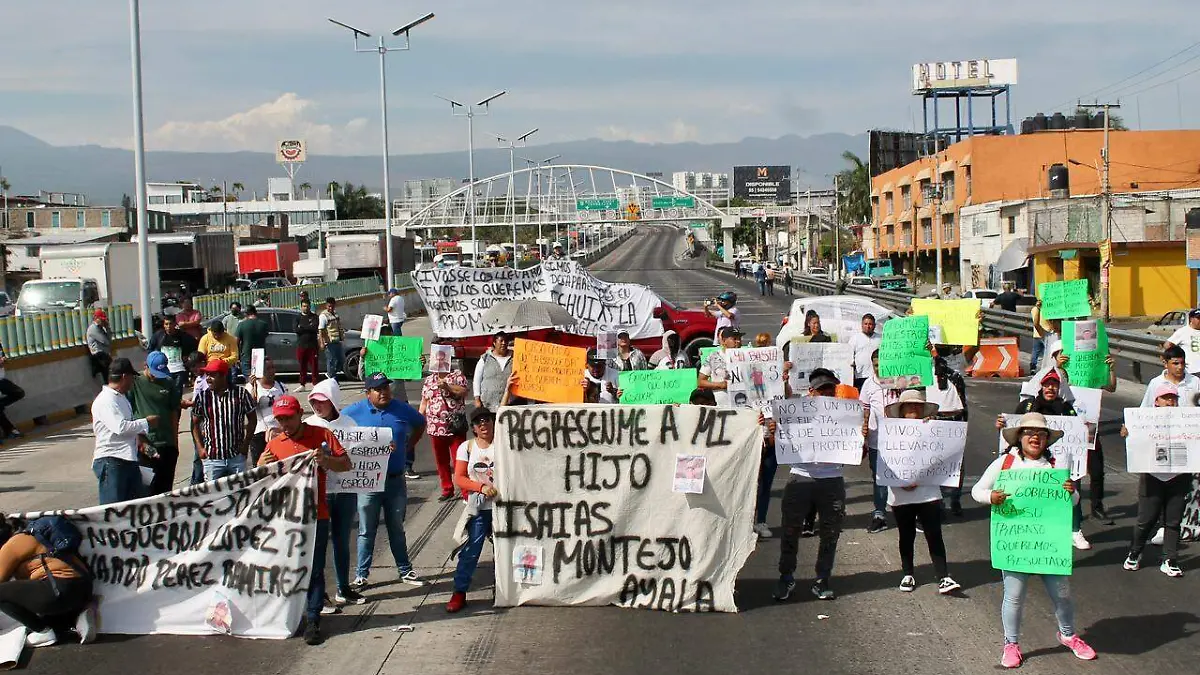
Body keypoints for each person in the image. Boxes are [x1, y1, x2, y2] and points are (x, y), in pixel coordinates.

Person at [972, 412, 1096, 668]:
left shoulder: (1055, 467)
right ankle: (1011, 643)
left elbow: (1072, 503)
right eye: (1029, 433)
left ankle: (1068, 635)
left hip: (1049, 544)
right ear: (1019, 437)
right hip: (1016, 543)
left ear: (1047, 439)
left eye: (1040, 434)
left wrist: (1071, 492)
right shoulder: (1005, 463)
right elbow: (977, 490)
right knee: (1014, 596)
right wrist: (990, 497)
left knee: (1062, 595)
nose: (1035, 438)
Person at [257, 395, 351, 646]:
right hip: (285, 519)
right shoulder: (275, 444)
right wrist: (261, 465)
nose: (285, 423)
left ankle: (313, 619)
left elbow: (346, 464)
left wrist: (326, 460)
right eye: (280, 419)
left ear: (300, 414)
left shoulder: (321, 435)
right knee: (286, 568)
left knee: (314, 568)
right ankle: (289, 614)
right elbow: (260, 481)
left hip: (316, 515)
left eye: (288, 418)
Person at [343, 373, 428, 589]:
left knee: (396, 527)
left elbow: (420, 423)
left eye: (386, 388)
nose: (384, 392)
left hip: (395, 481)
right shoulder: (353, 412)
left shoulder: (401, 408)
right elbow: (337, 432)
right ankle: (361, 574)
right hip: (368, 483)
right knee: (366, 530)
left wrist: (408, 445)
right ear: (368, 393)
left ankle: (405, 570)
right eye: (378, 389)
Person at [773, 369, 847, 602]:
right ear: (811, 391)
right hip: (801, 476)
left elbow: (858, 453)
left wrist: (861, 437)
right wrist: (774, 430)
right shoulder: (796, 410)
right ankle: (786, 577)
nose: (827, 394)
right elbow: (777, 438)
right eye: (822, 389)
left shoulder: (845, 412)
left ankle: (822, 579)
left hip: (832, 479)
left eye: (831, 390)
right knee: (790, 530)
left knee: (830, 532)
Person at [1002, 369, 1092, 550]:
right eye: (1047, 384)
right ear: (1041, 386)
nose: (1050, 388)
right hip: (1032, 459)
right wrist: (1002, 425)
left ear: (1059, 388)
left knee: (1070, 488)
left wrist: (1085, 431)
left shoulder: (1066, 408)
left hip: (1059, 459)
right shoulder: (1028, 406)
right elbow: (1015, 428)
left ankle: (1075, 530)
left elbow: (1076, 434)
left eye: (1054, 385)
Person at [883, 389, 961, 594]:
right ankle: (907, 574)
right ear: (901, 409)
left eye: (917, 405)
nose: (914, 408)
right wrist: (901, 482)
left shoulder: (934, 429)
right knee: (906, 534)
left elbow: (948, 454)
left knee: (934, 533)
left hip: (929, 491)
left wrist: (935, 430)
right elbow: (885, 461)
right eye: (909, 405)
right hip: (900, 493)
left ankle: (943, 576)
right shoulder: (890, 431)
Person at [302, 378, 365, 611]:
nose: (317, 406)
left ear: (333, 401)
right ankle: (320, 595)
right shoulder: (308, 425)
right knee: (318, 545)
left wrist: (382, 450)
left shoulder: (349, 423)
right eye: (314, 401)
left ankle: (343, 587)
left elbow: (363, 452)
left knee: (342, 540)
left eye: (323, 401)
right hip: (320, 493)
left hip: (346, 490)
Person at [1122, 383, 1188, 577]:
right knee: (1146, 520)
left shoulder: (1187, 420)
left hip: (1178, 476)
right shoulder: (1144, 421)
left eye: (1173, 398)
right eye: (1166, 398)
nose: (1170, 402)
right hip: (1152, 477)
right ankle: (1135, 552)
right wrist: (1127, 432)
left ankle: (1170, 559)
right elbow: (1134, 442)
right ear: (1156, 401)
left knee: (1173, 521)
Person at [0, 518, 95, 647]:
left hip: (59, 590)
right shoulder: (33, 535)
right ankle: (77, 618)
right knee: (50, 622)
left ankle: (42, 631)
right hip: (83, 588)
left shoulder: (13, 544)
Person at [446, 407, 500, 613]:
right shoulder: (466, 447)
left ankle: (503, 589)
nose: (483, 424)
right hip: (479, 508)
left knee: (504, 550)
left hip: (502, 506)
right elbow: (459, 478)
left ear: (494, 423)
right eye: (479, 422)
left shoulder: (503, 444)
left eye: (487, 420)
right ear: (474, 428)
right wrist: (481, 487)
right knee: (470, 551)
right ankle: (459, 592)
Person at [91, 357, 156, 504]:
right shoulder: (106, 400)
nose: (133, 381)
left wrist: (141, 441)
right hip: (112, 460)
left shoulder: (121, 398)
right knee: (114, 508)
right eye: (132, 377)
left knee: (137, 505)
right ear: (124, 377)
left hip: (128, 458)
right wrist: (146, 422)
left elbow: (129, 426)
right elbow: (120, 427)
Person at [190, 358, 256, 481]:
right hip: (212, 458)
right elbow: (195, 424)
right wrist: (200, 448)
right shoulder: (203, 397)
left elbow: (252, 419)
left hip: (236, 457)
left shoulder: (241, 394)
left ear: (223, 376)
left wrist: (246, 443)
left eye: (212, 375)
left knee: (240, 490)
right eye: (207, 375)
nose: (208, 378)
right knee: (213, 492)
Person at [130, 352, 182, 496]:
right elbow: (128, 414)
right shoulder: (135, 383)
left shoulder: (168, 382)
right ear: (145, 366)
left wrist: (175, 443)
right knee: (147, 489)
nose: (156, 377)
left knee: (165, 489)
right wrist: (140, 442)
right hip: (146, 445)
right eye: (153, 373)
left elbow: (173, 412)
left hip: (167, 444)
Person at [860, 349, 900, 534]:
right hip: (877, 440)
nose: (878, 368)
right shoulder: (868, 384)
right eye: (876, 365)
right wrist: (864, 432)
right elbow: (864, 410)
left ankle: (908, 512)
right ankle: (880, 515)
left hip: (900, 439)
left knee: (903, 474)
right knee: (879, 478)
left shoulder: (901, 380)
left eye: (882, 364)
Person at [927, 345, 969, 515]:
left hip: (955, 420)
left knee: (957, 463)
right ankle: (939, 502)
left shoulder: (956, 367)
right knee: (935, 462)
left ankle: (955, 499)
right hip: (934, 420)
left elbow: (973, 349)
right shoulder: (925, 369)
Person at [420, 361, 469, 502]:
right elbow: (424, 402)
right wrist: (418, 419)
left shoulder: (457, 376)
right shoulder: (429, 379)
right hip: (435, 427)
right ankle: (447, 489)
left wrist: (447, 386)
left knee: (460, 460)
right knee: (441, 461)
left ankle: (466, 491)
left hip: (455, 427)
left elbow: (464, 392)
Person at [245, 357, 287, 466]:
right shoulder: (251, 387)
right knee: (260, 466)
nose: (272, 371)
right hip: (259, 433)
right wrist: (253, 387)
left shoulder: (281, 386)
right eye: (268, 368)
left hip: (278, 431)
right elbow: (250, 407)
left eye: (273, 367)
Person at [148, 313, 198, 392]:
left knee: (177, 392)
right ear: (163, 325)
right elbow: (150, 349)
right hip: (164, 370)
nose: (168, 326)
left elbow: (195, 348)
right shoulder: (158, 336)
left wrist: (188, 358)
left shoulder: (183, 336)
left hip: (179, 370)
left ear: (175, 324)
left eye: (170, 324)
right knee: (165, 392)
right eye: (166, 324)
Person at [698, 326, 743, 407]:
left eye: (739, 338)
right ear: (724, 340)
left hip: (742, 403)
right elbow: (701, 382)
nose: (738, 341)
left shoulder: (746, 356)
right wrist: (720, 385)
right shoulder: (713, 357)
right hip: (721, 405)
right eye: (734, 339)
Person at [473, 333, 513, 411]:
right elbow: (477, 379)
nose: (504, 343)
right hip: (488, 405)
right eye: (501, 341)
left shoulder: (514, 357)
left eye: (506, 341)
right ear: (494, 343)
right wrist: (477, 399)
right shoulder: (485, 358)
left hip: (509, 404)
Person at [234, 304, 270, 377]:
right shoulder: (264, 324)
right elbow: (266, 338)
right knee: (259, 378)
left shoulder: (242, 325)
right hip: (260, 355)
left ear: (246, 313)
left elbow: (236, 342)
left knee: (249, 379)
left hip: (246, 355)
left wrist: (237, 357)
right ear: (255, 312)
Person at [0, 341, 26, 442]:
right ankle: (10, 430)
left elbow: (3, 357)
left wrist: (3, 360)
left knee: (19, 393)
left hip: (1, 379)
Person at [849, 313, 882, 390]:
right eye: (865, 324)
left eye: (870, 324)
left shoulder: (881, 338)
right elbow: (849, 355)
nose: (868, 326)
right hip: (860, 376)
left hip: (877, 375)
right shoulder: (855, 338)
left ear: (874, 325)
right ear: (862, 325)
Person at [1164, 308, 1200, 376]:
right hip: (1192, 370)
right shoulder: (1183, 331)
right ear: (1191, 319)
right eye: (1198, 318)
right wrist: (1178, 359)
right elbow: (1167, 345)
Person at [296, 299, 321, 391]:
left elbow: (314, 328)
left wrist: (302, 327)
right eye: (304, 306)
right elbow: (296, 330)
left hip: (312, 346)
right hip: (301, 345)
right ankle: (302, 384)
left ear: (310, 306)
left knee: (314, 366)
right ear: (301, 307)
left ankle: (315, 384)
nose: (305, 308)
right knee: (302, 366)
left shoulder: (314, 317)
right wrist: (308, 327)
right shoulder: (297, 318)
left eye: (307, 306)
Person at [1029, 299, 1059, 372]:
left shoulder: (1034, 309)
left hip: (1037, 333)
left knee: (1036, 351)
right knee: (1048, 352)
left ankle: (1033, 368)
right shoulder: (1047, 309)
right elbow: (1037, 323)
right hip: (1046, 333)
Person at [319, 297, 345, 381]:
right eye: (329, 306)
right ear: (326, 305)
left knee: (341, 360)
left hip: (337, 341)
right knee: (331, 361)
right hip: (329, 342)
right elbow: (321, 330)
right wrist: (322, 342)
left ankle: (331, 374)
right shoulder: (323, 316)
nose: (330, 308)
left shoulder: (335, 314)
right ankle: (331, 377)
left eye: (332, 306)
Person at [86, 310, 112, 382]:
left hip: (104, 355)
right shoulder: (93, 328)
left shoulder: (100, 328)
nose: (103, 321)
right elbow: (105, 341)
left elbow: (109, 340)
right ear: (96, 318)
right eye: (101, 319)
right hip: (98, 356)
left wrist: (108, 328)